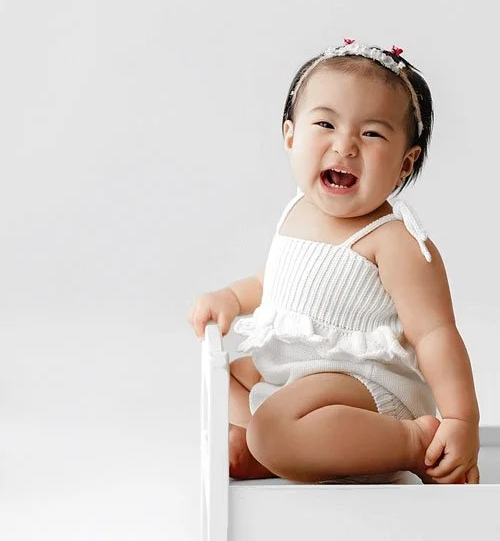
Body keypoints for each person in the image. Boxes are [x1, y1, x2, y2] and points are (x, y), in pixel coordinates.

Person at [187, 39, 480, 485]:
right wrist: (231, 296)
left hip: (362, 383)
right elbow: (280, 283)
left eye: (372, 133)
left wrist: (461, 421)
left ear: (406, 163)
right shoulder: (296, 211)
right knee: (230, 378)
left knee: (273, 426)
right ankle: (280, 453)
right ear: (290, 136)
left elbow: (436, 333)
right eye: (325, 123)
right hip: (298, 367)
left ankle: (410, 443)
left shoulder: (395, 242)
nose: (345, 146)